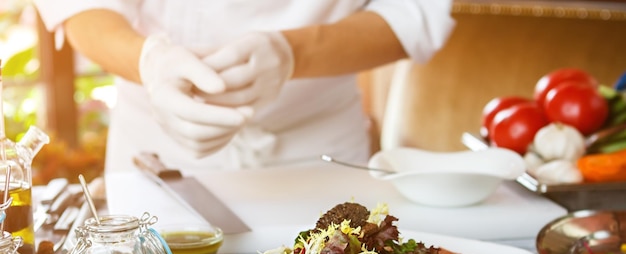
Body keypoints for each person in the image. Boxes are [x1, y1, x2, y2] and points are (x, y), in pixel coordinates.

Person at [34, 1, 455, 173]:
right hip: (158, 155)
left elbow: (412, 12)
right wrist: (148, 61)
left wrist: (294, 53)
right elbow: (80, 8)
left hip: (318, 153)